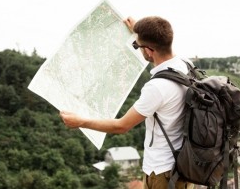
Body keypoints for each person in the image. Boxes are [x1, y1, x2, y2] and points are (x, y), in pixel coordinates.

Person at [60, 16, 193, 189]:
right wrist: (137, 32)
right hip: (184, 165)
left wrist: (81, 122)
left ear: (149, 50)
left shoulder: (157, 88)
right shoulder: (186, 65)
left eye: (138, 46)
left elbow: (121, 126)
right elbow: (156, 44)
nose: (138, 49)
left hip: (163, 172)